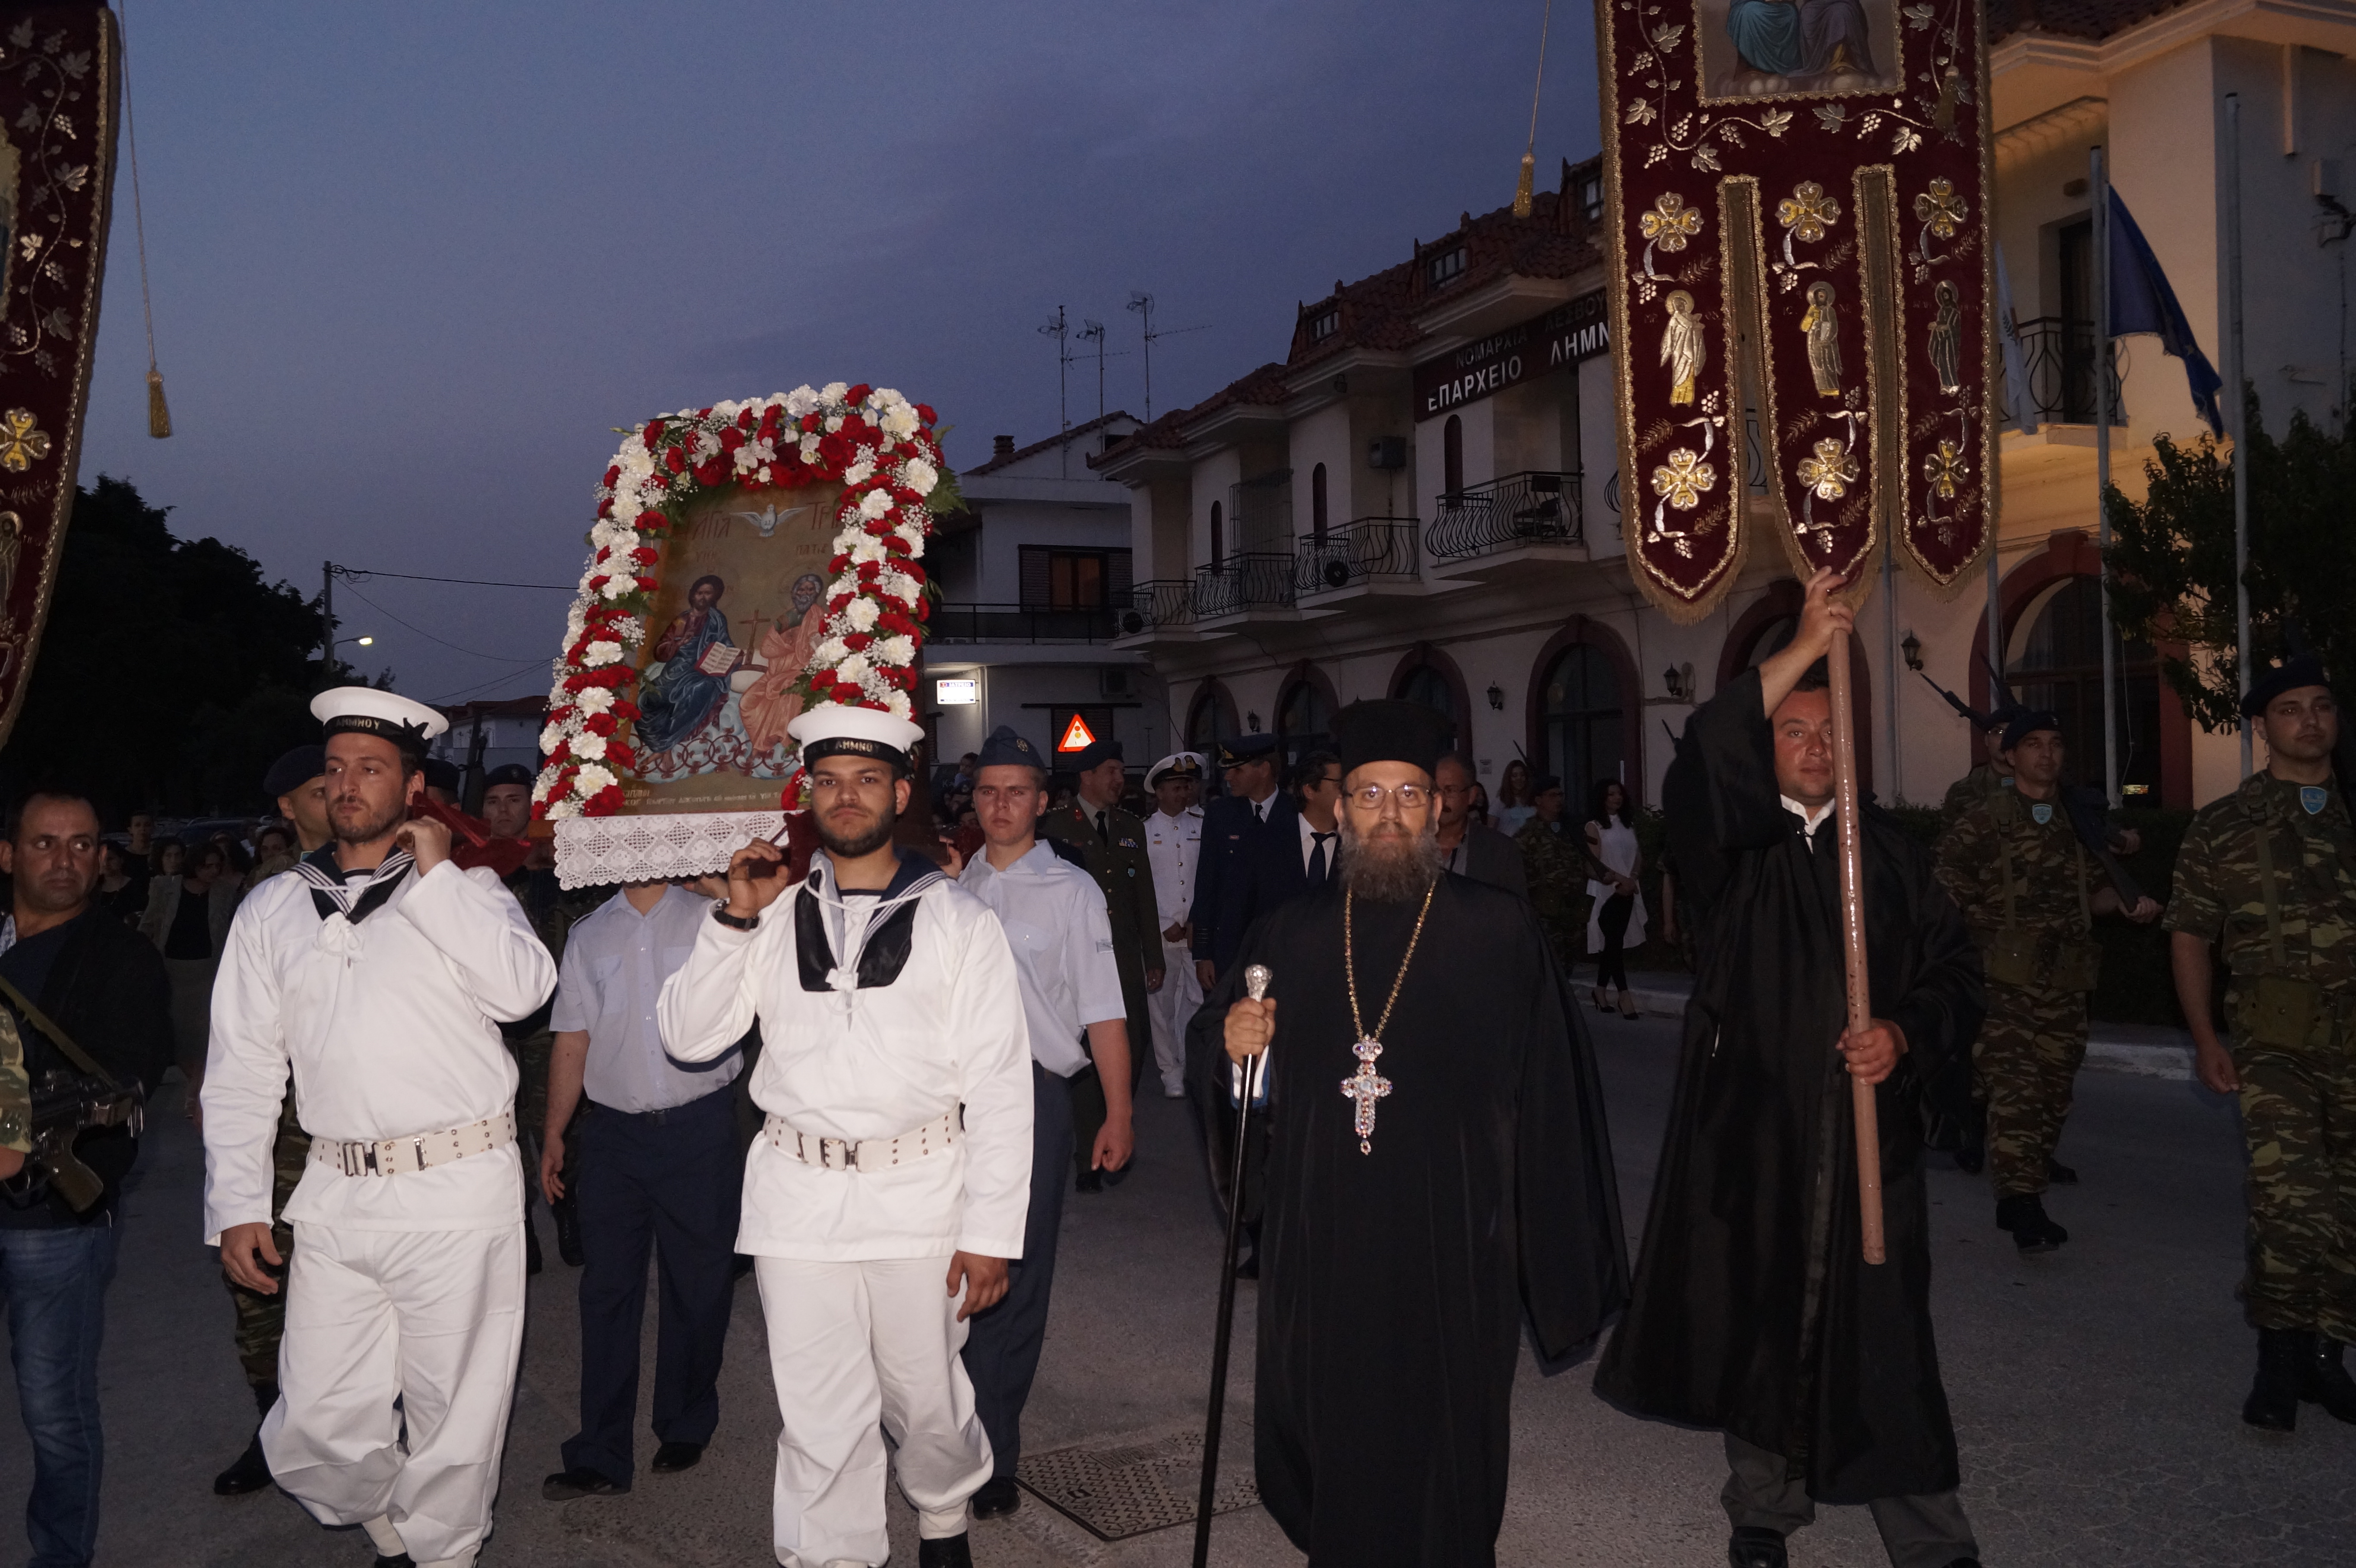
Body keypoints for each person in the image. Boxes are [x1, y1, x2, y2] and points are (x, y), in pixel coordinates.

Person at [1595, 569, 1986, 1568]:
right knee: (1763, 1319)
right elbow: (1704, 753)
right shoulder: (1734, 853)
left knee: (1887, 1337)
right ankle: (1763, 1510)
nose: (1815, 746)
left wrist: (1902, 1033)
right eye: (1793, 731)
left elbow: (1956, 973)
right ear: (1764, 752)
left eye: (1829, 731)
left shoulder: (1892, 857)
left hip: (1869, 1143)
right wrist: (1807, 646)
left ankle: (1929, 1536)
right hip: (1755, 1134)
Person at [1204, 699, 1627, 1567]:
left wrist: (1551, 1248)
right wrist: (1236, 1049)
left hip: (1454, 1233)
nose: (1389, 813)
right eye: (1369, 795)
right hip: (1325, 1234)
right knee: (1334, 1418)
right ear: (1340, 809)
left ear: (1438, 808)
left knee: (1448, 1429)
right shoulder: (1290, 933)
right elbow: (1230, 1065)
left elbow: (1552, 1090)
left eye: (1408, 795)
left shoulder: (1497, 929)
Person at [656, 702, 1032, 1568]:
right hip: (798, 1195)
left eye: (867, 780)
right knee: (819, 1412)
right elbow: (688, 1038)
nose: (847, 796)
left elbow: (1002, 1086)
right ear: (809, 795)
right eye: (828, 780)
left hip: (920, 1191)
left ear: (900, 794)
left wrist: (989, 1232)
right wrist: (732, 921)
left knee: (925, 1398)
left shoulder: (959, 920)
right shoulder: (768, 910)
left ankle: (943, 1512)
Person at [204, 688, 559, 1568]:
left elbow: (523, 991)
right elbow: (243, 1069)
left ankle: (443, 1553)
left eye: (371, 768)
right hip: (336, 1195)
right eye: (336, 769)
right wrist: (238, 1203)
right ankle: (399, 1528)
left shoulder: (467, 891)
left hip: (456, 1189)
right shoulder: (273, 909)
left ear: (413, 786)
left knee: (453, 1416)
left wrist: (438, 879)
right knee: (315, 1427)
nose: (348, 784)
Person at [2166, 656, 2356, 1431]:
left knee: (2349, 1204)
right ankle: (2280, 1356)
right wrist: (2205, 1037)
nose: (2310, 720)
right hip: (2273, 1043)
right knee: (2290, 1201)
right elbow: (2190, 935)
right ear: (2260, 727)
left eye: (2322, 706)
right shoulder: (2225, 826)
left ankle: (2326, 1356)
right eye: (2290, 709)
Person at [956, 725, 1134, 1521]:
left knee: (1016, 1278)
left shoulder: (1072, 890)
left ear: (1042, 802)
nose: (1002, 806)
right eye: (989, 792)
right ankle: (947, 1430)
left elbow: (1103, 1010)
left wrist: (1119, 1112)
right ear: (974, 800)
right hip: (952, 1097)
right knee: (949, 1269)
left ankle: (994, 1453)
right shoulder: (950, 887)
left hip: (1034, 1095)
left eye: (1017, 793)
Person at [0, 790, 174, 1568]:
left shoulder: (121, 957)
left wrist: (27, 1140)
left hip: (52, 1223)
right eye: (45, 843)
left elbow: (124, 1082)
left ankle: (59, 1558)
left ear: (103, 859)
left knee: (54, 1413)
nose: (64, 859)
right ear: (9, 854)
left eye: (81, 844)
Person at [539, 879, 745, 1499]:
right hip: (614, 1135)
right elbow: (573, 1038)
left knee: (699, 1284)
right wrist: (554, 1132)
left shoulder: (711, 915)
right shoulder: (589, 934)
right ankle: (600, 1451)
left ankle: (684, 1420)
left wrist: (727, 895)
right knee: (606, 1291)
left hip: (700, 1126)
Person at [1934, 711, 2160, 1252]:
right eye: (2032, 743)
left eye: (2055, 743)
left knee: (2054, 1092)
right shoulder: (1982, 821)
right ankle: (2020, 1202)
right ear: (2010, 755)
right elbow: (1941, 891)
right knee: (2019, 1087)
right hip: (2001, 980)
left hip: (2065, 980)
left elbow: (2093, 894)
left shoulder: (2076, 821)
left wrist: (2123, 904)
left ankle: (2020, 1163)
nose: (2046, 753)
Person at [212, 742, 336, 1498]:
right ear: (288, 807)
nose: (338, 796)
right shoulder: (270, 894)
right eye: (320, 789)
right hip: (283, 1131)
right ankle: (273, 1430)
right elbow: (242, 1034)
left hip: (359, 1130)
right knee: (262, 1291)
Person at [1037, 737, 1161, 1192]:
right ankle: (1088, 1154)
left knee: (1134, 1044)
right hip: (1077, 955)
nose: (1119, 779)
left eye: (1121, 770)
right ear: (1086, 776)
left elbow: (1143, 893)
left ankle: (1117, 1124)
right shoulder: (1054, 825)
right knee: (1088, 1054)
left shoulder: (1130, 826)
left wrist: (1153, 954)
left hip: (1123, 957)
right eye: (1110, 770)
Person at [480, 760, 588, 1274]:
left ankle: (567, 1211)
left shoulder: (562, 866)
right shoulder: (471, 870)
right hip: (491, 1028)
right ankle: (521, 1225)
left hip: (550, 1022)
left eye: (513, 800)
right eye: (492, 801)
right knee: (503, 1127)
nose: (502, 811)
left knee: (557, 1122)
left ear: (532, 806)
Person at [138, 838, 242, 1099]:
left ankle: (197, 1093)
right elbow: (149, 924)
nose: (213, 871)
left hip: (208, 973)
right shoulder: (165, 887)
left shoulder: (224, 892)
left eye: (217, 866)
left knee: (205, 1036)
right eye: (207, 866)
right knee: (179, 1037)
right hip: (173, 971)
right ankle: (196, 1090)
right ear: (195, 866)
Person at [1188, 733, 1290, 989]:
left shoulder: (1295, 813)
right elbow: (1206, 884)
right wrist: (1203, 953)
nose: (1228, 777)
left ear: (1264, 770)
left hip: (1284, 947)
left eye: (1237, 770)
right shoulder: (1220, 815)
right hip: (1230, 950)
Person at [1141, 752, 1206, 1100]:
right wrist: (1164, 921)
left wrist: (1195, 919)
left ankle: (1189, 1060)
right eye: (1176, 787)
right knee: (1162, 1004)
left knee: (1196, 998)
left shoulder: (1202, 825)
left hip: (1194, 931)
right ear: (1160, 792)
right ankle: (1170, 1071)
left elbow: (1208, 879)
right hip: (1162, 933)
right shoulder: (1144, 830)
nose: (1184, 793)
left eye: (1187, 786)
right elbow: (1142, 884)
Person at [1584, 779, 1649, 1019]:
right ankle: (1624, 995)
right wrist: (1619, 880)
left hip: (1628, 890)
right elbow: (1593, 864)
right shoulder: (1594, 827)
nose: (1616, 798)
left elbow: (1638, 855)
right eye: (1611, 794)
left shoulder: (1628, 825)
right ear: (1602, 798)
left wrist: (1632, 878)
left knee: (1614, 944)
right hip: (1607, 892)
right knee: (1613, 943)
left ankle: (1600, 991)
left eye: (1619, 794)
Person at [1515, 775, 1588, 967]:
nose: (1558, 800)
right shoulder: (1528, 835)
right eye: (1552, 795)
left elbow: (1585, 862)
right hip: (1546, 910)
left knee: (1571, 960)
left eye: (1560, 795)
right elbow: (1518, 874)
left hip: (1573, 906)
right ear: (1539, 800)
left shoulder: (1571, 830)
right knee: (1551, 962)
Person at [1434, 752, 1530, 897]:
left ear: (1472, 795)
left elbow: (1514, 906)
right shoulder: (1410, 846)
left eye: (1451, 791)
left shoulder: (1500, 851)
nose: (1441, 799)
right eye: (1435, 790)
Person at [1494, 759, 1536, 837]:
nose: (1519, 779)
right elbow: (1491, 831)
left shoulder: (1534, 801)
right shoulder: (1499, 803)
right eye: (1515, 776)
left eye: (1522, 775)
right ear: (1509, 779)